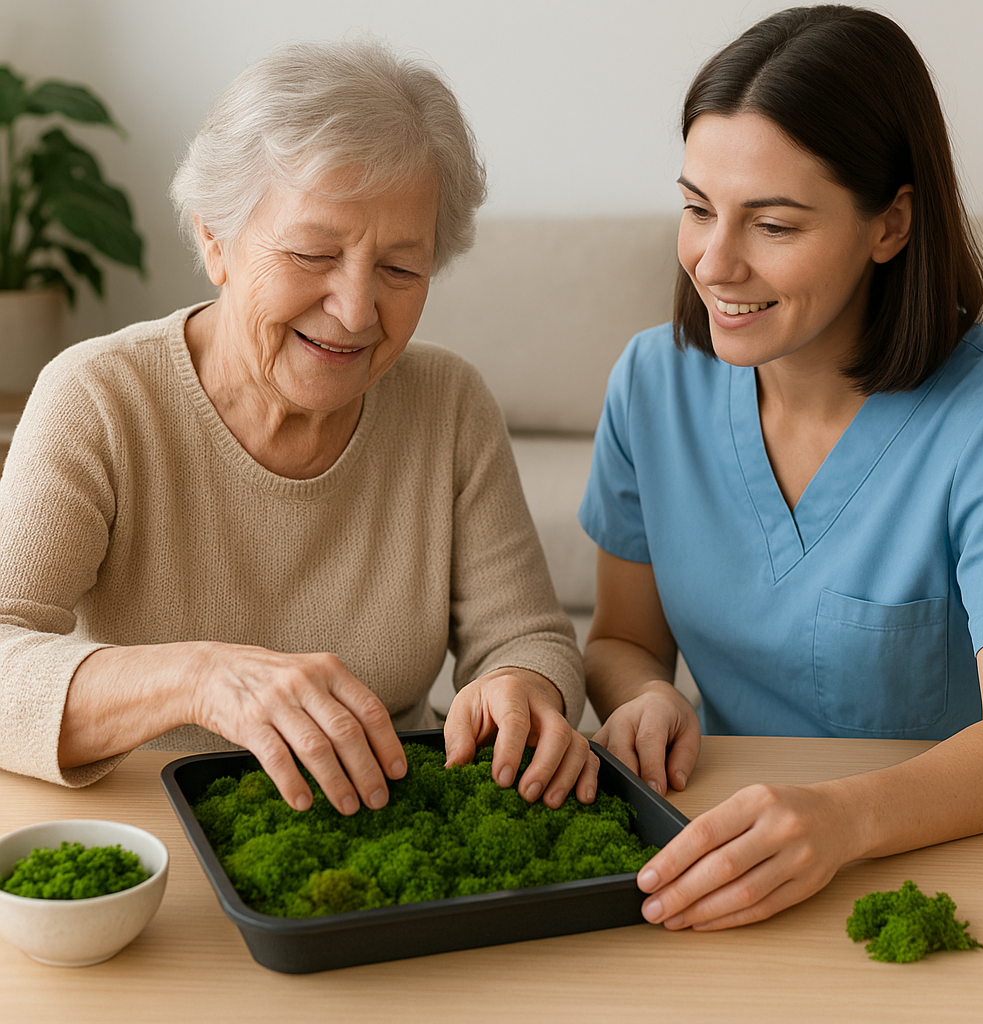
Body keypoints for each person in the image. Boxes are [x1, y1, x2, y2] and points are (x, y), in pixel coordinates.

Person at [0, 39, 598, 815]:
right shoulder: (100, 398)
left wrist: (521, 687)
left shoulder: (450, 404)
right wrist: (200, 678)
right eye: (314, 252)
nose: (355, 311)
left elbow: (529, 637)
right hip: (149, 829)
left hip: (377, 832)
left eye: (400, 270)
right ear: (214, 238)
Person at [579, 4, 983, 931]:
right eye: (698, 208)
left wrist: (844, 817)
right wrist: (646, 696)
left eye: (773, 225)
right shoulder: (650, 384)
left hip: (944, 864)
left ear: (891, 225)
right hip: (727, 846)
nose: (715, 262)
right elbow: (623, 641)